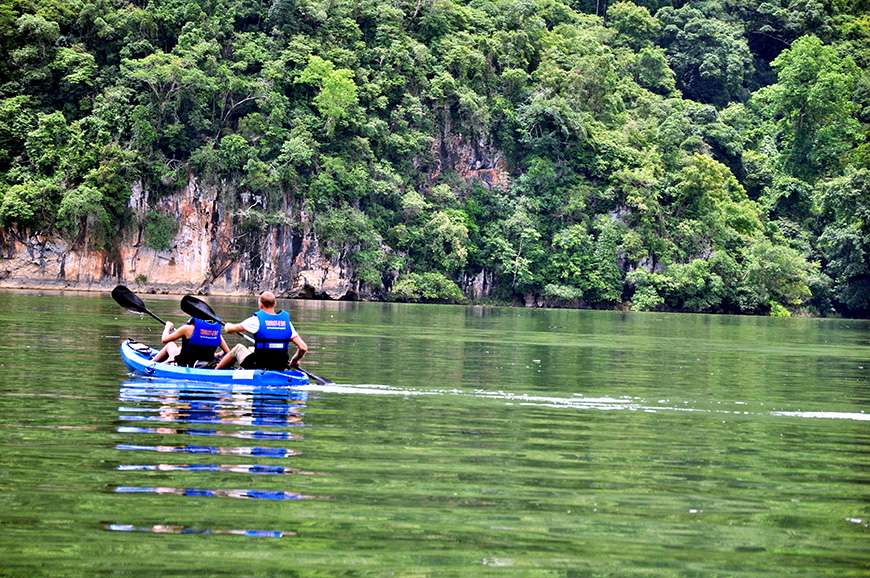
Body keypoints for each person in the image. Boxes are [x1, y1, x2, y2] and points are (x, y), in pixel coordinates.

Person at [214, 291, 308, 370]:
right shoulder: (287, 323)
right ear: (275, 304)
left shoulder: (256, 320)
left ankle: (215, 373)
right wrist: (294, 360)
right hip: (280, 365)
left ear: (260, 304)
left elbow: (229, 330)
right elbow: (303, 348)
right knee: (251, 349)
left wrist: (227, 325)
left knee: (238, 348)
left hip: (259, 364)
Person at [153, 317, 230, 367]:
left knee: (170, 344)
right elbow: (227, 352)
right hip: (207, 363)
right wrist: (216, 355)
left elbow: (164, 339)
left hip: (185, 364)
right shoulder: (216, 333)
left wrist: (168, 327)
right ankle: (154, 363)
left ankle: (151, 363)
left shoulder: (186, 328)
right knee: (176, 347)